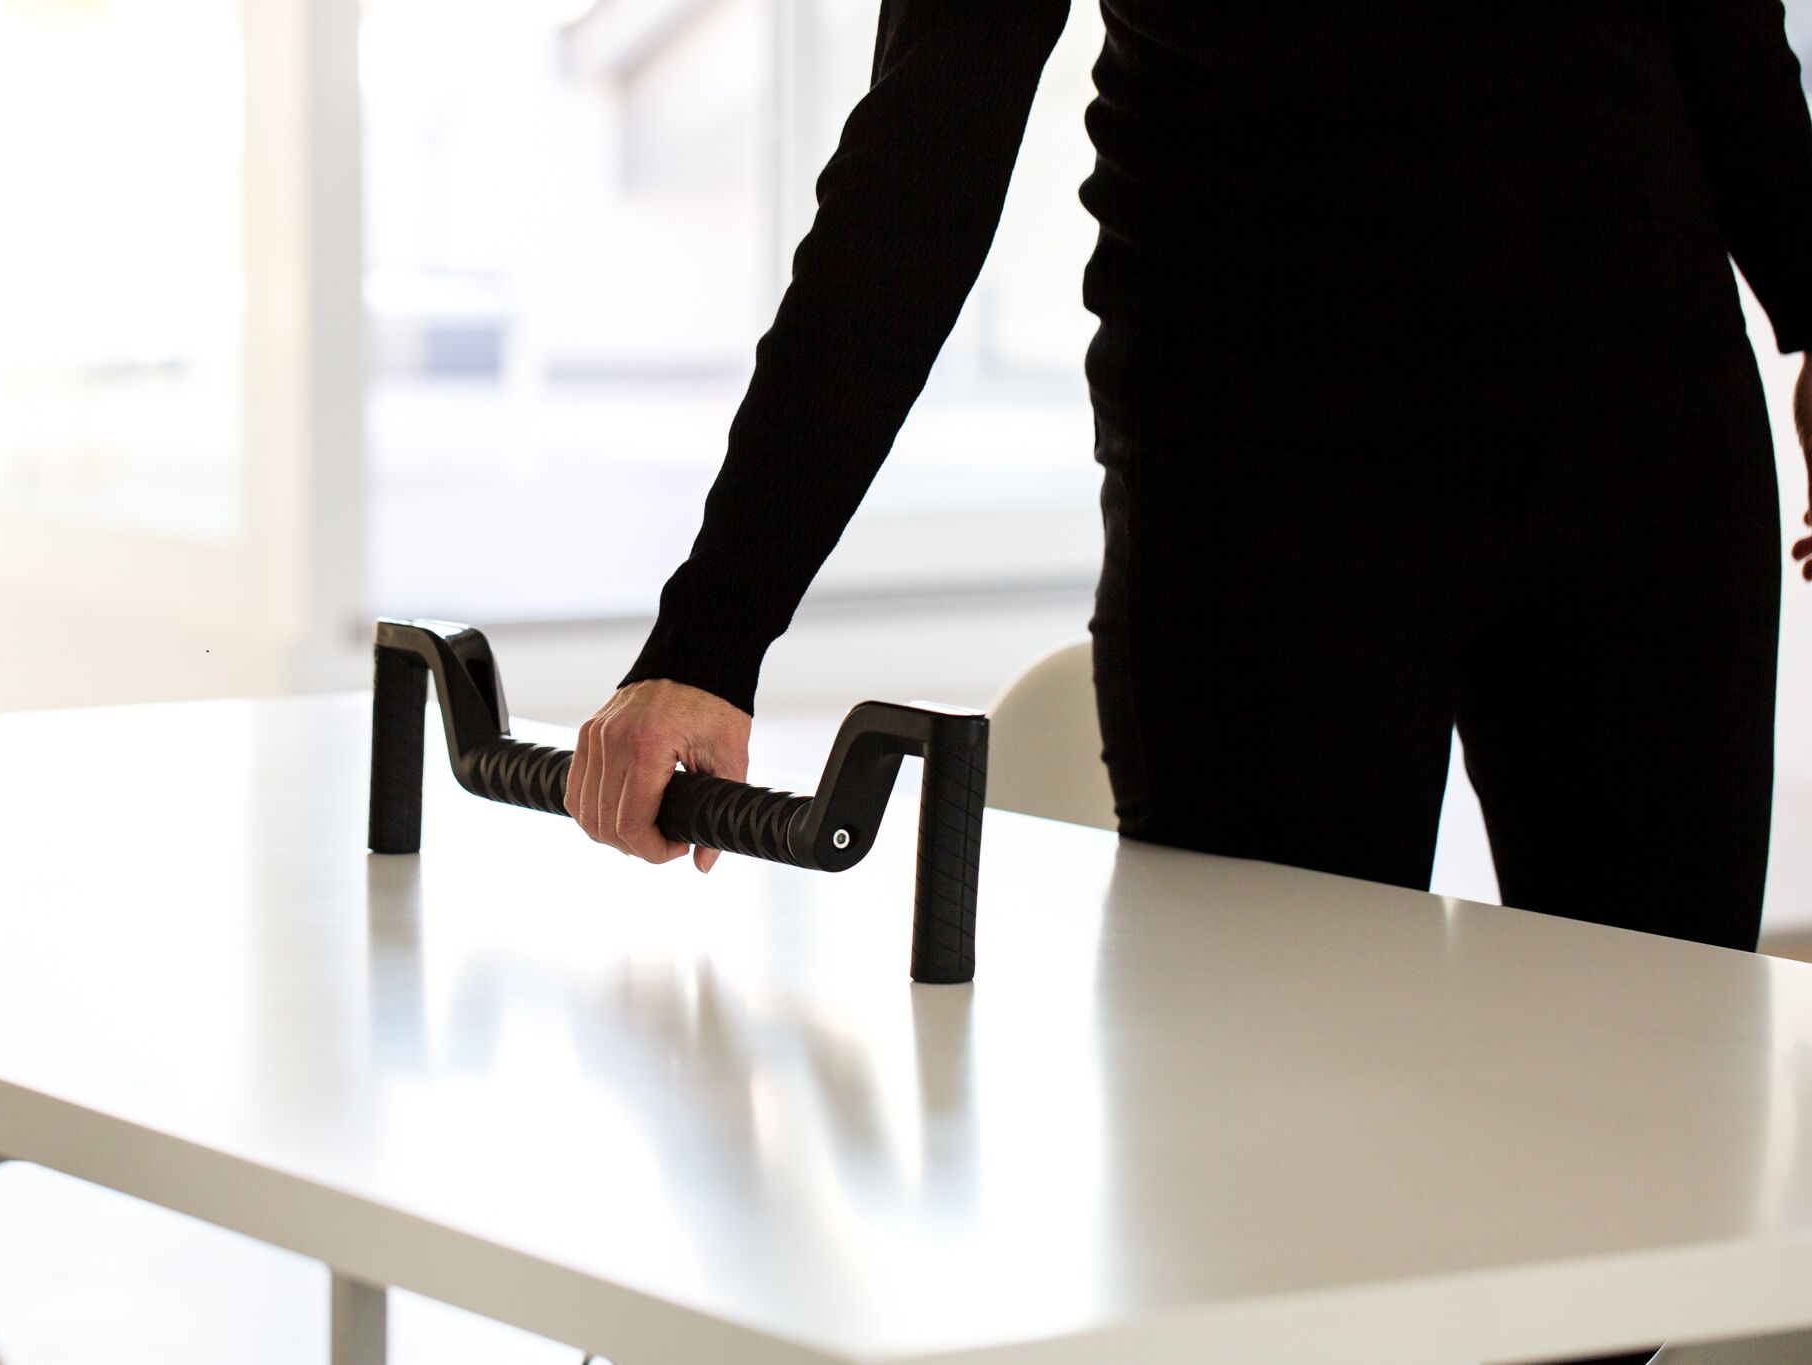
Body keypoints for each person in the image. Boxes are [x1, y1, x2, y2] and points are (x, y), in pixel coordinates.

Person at [565, 7, 1812, 1359]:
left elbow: (1717, 29)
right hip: (1263, 503)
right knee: (1270, 1193)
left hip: (1644, 459)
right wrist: (713, 633)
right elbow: (929, 140)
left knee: (1644, 1156)